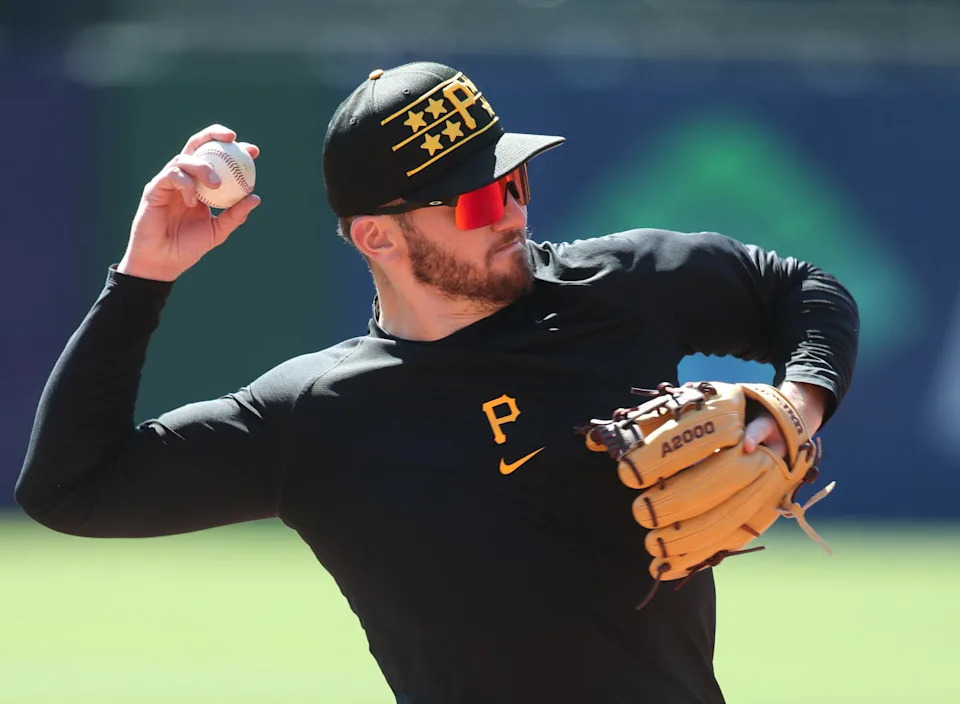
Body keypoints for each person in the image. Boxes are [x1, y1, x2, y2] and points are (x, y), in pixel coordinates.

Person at [16, 61, 859, 703]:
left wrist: (798, 402)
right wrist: (142, 277)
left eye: (514, 181)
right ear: (378, 238)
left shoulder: (623, 289)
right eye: (476, 202)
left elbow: (802, 292)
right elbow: (71, 491)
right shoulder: (319, 418)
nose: (516, 212)